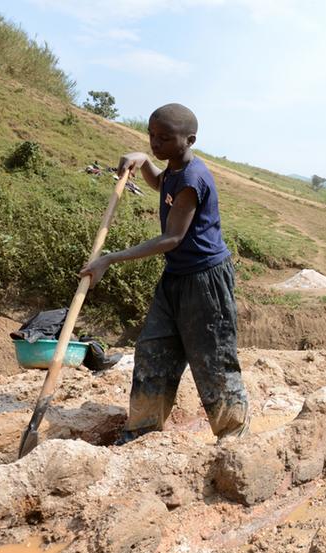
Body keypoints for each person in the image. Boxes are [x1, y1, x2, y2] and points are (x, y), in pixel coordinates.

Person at [80, 103, 250, 443]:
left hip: (205, 282)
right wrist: (144, 160)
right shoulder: (174, 169)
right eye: (151, 136)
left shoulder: (192, 178)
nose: (156, 143)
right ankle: (141, 431)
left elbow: (173, 238)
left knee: (212, 359)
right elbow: (160, 184)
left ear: (189, 140)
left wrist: (109, 259)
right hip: (175, 279)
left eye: (165, 138)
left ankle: (233, 435)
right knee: (153, 350)